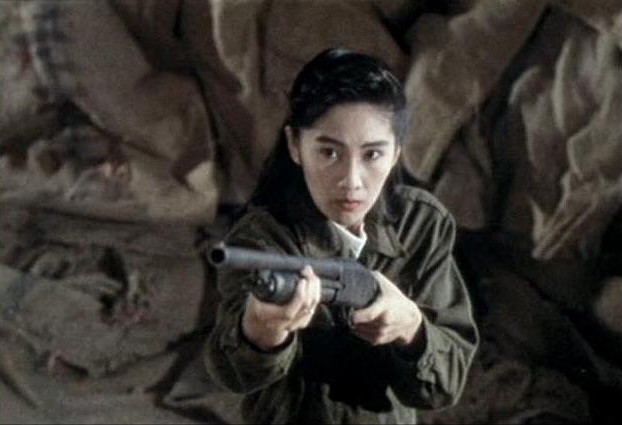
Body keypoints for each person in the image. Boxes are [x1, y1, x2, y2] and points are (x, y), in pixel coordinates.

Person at [204, 48, 478, 424]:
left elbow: (445, 386)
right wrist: (261, 330)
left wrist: (410, 326)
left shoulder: (422, 224)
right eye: (330, 153)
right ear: (295, 146)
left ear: (396, 153)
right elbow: (233, 375)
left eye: (372, 155)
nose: (351, 181)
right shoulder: (260, 239)